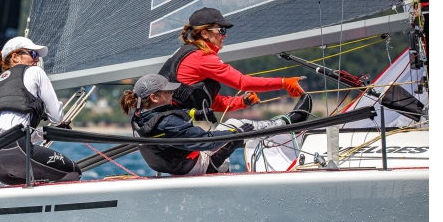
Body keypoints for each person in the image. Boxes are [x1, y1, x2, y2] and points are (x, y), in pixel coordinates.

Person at [120, 74, 311, 176]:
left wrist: (197, 113)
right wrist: (238, 134)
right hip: (194, 167)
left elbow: (171, 116)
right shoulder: (169, 124)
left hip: (174, 165)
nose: (172, 94)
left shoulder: (139, 114)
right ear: (154, 97)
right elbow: (209, 143)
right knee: (237, 124)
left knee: (233, 131)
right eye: (167, 92)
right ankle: (288, 122)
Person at [159, 7, 310, 122]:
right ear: (205, 34)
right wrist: (284, 83)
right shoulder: (202, 57)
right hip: (167, 123)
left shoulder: (191, 52)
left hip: (163, 121)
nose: (225, 35)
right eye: (221, 30)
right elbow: (242, 82)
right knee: (238, 130)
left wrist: (242, 102)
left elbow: (213, 102)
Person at [0, 37, 81, 185]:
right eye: (33, 54)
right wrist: (57, 122)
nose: (37, 60)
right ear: (15, 57)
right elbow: (57, 118)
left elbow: (9, 129)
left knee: (32, 183)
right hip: (14, 152)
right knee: (73, 172)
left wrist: (42, 133)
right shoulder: (35, 72)